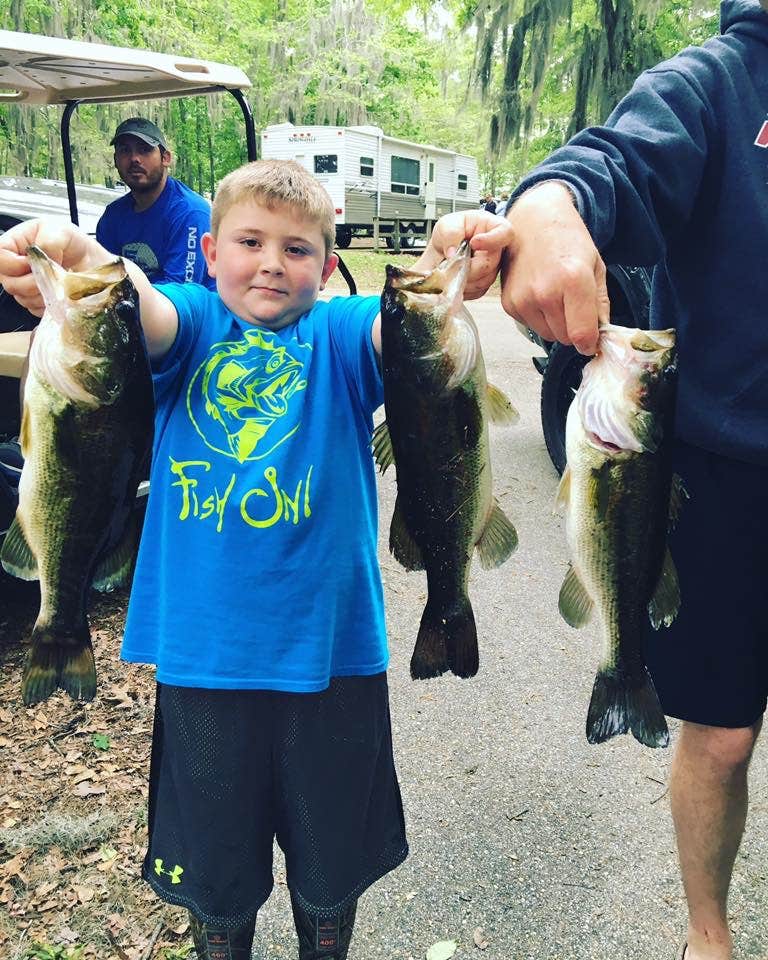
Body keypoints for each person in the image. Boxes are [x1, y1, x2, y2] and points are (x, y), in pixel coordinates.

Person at [0, 160, 512, 960]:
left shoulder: (338, 337)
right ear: (207, 252)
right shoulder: (194, 325)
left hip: (331, 658)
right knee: (216, 874)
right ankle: (220, 940)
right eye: (249, 241)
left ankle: (324, 938)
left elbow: (401, 332)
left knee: (331, 865)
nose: (272, 262)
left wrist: (440, 263)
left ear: (328, 265)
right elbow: (140, 307)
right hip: (205, 664)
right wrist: (83, 254)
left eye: (299, 249)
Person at [471, 1, 767, 958]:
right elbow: (611, 160)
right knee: (720, 736)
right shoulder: (722, 79)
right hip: (726, 475)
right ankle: (708, 937)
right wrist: (548, 204)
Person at [97, 116, 215, 289]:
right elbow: (103, 279)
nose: (134, 158)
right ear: (116, 160)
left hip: (189, 313)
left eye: (144, 150)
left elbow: (181, 294)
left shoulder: (190, 213)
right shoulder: (113, 216)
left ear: (166, 158)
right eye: (125, 150)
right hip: (131, 310)